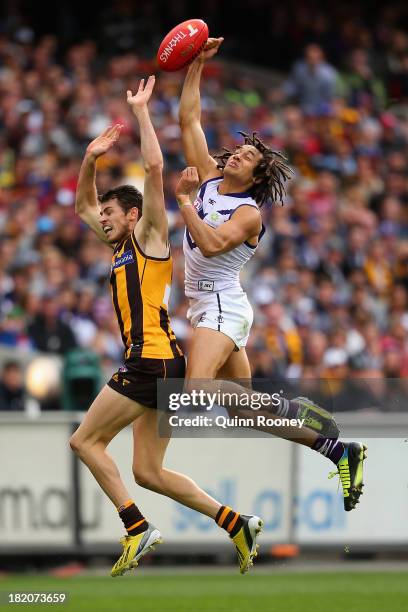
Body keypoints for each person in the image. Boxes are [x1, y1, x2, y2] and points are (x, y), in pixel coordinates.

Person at [70, 76, 262, 578]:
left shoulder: (151, 237)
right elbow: (82, 206)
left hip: (150, 358)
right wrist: (90, 159)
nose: (103, 220)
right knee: (147, 471)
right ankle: (235, 521)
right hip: (161, 361)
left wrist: (140, 112)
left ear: (133, 215)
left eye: (112, 214)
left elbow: (155, 166)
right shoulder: (117, 246)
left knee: (84, 443)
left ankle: (136, 527)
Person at [177, 39, 367, 533]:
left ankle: (294, 412)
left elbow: (215, 245)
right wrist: (195, 65)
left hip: (223, 306)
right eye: (236, 151)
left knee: (197, 392)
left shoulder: (247, 212)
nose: (234, 155)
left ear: (257, 175)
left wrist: (181, 205)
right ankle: (336, 447)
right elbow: (188, 121)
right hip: (207, 307)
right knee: (242, 408)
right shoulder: (212, 183)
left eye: (243, 156)